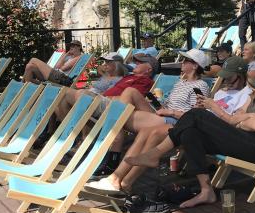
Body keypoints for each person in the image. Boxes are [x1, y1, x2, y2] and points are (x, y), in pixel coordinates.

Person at [123, 50, 255, 208]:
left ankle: (156, 154)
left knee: (197, 114)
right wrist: (250, 117)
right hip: (243, 137)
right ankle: (206, 191)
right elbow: (240, 117)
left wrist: (234, 115)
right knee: (190, 133)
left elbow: (253, 125)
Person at [85, 56, 252, 196]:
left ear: (240, 75)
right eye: (224, 76)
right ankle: (119, 180)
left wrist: (177, 112)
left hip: (207, 129)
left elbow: (233, 121)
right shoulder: (221, 92)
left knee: (155, 131)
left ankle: (120, 177)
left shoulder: (246, 94)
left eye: (229, 77)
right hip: (190, 122)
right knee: (148, 129)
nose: (226, 80)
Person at [89, 49, 209, 180]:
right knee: (130, 92)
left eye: (186, 60)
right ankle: (115, 141)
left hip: (176, 121)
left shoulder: (201, 85)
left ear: (195, 65)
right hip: (163, 114)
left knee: (119, 111)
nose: (182, 62)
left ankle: (115, 144)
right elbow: (168, 105)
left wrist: (170, 112)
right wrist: (157, 104)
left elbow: (194, 116)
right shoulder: (181, 83)